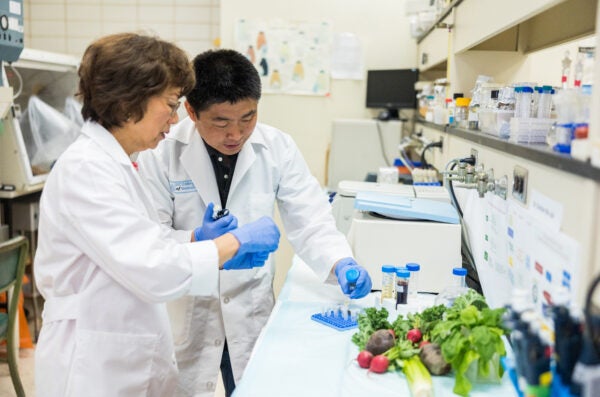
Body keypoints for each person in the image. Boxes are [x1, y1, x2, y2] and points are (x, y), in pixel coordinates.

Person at [33, 34, 281, 397]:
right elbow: (152, 268)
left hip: (124, 352)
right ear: (128, 102)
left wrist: (196, 240)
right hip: (93, 364)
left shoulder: (117, 163)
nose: (177, 116)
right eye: (170, 103)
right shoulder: (86, 170)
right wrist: (232, 243)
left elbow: (142, 242)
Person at [137, 49, 373, 397]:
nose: (236, 133)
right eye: (220, 122)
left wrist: (341, 261)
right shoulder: (161, 151)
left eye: (248, 118)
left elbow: (310, 218)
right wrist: (197, 238)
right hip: (186, 306)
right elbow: (148, 239)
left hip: (248, 306)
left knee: (250, 387)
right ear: (190, 110)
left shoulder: (277, 147)